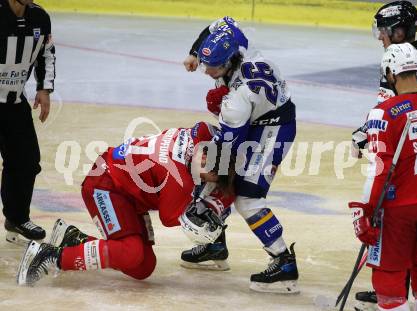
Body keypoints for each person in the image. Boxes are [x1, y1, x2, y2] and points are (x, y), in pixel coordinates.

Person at [17, 122, 235, 286]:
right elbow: (170, 219)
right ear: (206, 161)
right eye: (208, 178)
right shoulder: (179, 178)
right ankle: (49, 256)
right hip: (105, 185)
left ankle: (75, 240)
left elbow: (208, 129)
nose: (205, 183)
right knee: (131, 254)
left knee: (143, 267)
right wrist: (203, 217)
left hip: (124, 189)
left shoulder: (200, 136)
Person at [181, 17, 299, 294]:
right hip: (259, 114)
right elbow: (218, 25)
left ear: (228, 62)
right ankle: (215, 244)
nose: (206, 70)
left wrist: (194, 167)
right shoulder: (237, 41)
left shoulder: (237, 101)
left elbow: (225, 154)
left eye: (212, 66)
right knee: (211, 183)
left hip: (273, 130)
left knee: (246, 196)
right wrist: (195, 52)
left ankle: (284, 262)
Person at [352, 2, 417, 308]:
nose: (380, 37)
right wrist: (366, 131)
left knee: (397, 265)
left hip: (407, 179)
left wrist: (365, 209)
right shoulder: (408, 61)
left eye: (385, 30)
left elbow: (403, 113)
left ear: (400, 30)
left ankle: (395, 290)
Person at [1, 0, 55, 244]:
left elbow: (46, 52)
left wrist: (44, 88)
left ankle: (17, 218)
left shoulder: (40, 17)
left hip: (14, 104)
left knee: (26, 161)